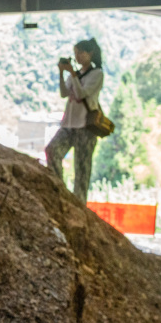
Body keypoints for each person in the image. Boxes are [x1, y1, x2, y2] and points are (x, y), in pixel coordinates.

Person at [45, 38, 104, 202]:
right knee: (52, 150)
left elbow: (81, 94)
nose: (77, 57)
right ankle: (59, 192)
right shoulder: (75, 74)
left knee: (82, 170)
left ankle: (80, 205)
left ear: (90, 54)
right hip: (69, 123)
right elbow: (64, 93)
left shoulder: (97, 74)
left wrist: (72, 73)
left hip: (85, 126)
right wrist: (62, 73)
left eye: (80, 53)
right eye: (75, 53)